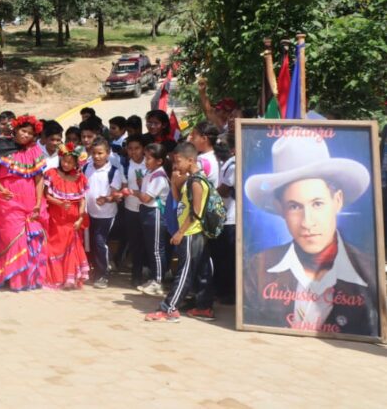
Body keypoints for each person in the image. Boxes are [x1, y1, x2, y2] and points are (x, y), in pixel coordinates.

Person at [241, 131, 378, 336]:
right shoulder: (259, 267)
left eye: (317, 203)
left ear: (337, 201)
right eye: (295, 206)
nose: (307, 222)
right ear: (280, 209)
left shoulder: (368, 270)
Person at [146, 143, 212, 322]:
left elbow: (196, 212)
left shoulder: (197, 182)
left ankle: (169, 308)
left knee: (184, 271)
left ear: (190, 160)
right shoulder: (190, 179)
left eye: (179, 161)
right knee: (201, 270)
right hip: (192, 232)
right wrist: (175, 183)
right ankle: (203, 306)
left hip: (191, 232)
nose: (176, 165)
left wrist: (180, 232)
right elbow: (179, 200)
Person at [0, 115, 47, 291]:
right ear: (15, 129)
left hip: (30, 199)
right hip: (7, 199)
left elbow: (39, 180)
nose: (26, 135)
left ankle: (25, 279)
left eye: (30, 133)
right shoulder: (2, 145)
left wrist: (38, 203)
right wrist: (1, 189)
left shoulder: (35, 150)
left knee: (29, 238)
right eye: (23, 131)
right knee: (12, 237)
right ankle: (12, 277)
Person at [43, 143, 89, 290]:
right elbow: (46, 195)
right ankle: (56, 277)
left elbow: (82, 199)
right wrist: (60, 203)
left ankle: (69, 278)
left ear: (76, 163)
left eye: (70, 162)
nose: (66, 164)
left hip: (73, 220)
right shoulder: (51, 174)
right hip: (56, 219)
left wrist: (81, 217)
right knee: (55, 246)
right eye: (64, 160)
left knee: (72, 247)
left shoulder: (80, 178)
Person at [130, 143, 170, 296]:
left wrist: (133, 191)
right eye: (145, 157)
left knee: (157, 249)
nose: (146, 161)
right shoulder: (149, 172)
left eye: (149, 158)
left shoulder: (159, 176)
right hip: (147, 212)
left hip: (156, 213)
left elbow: (146, 197)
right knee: (151, 247)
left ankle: (158, 282)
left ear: (159, 161)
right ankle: (154, 278)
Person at [84, 138, 123, 289]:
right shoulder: (87, 168)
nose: (97, 156)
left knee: (101, 243)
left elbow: (115, 194)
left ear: (108, 153)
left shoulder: (113, 171)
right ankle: (94, 270)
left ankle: (103, 275)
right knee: (92, 244)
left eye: (100, 153)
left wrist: (107, 199)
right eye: (94, 153)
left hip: (106, 215)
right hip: (89, 213)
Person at [118, 135, 149, 289]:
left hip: (148, 209)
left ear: (143, 149)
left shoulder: (150, 164)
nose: (133, 152)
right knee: (135, 243)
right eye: (130, 149)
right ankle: (136, 276)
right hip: (131, 209)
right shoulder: (124, 165)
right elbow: (123, 185)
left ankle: (151, 275)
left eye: (137, 148)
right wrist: (120, 193)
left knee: (148, 243)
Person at [214, 134, 237, 305]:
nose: (219, 148)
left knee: (228, 258)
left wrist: (208, 192)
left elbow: (225, 189)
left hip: (232, 217)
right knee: (222, 256)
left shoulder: (235, 164)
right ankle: (222, 290)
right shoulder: (226, 164)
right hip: (224, 215)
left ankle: (229, 293)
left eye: (223, 145)